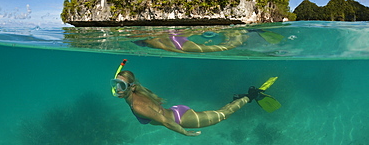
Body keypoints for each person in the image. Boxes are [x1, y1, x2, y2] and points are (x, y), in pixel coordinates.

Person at [111, 70, 269, 136]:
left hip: (181, 119)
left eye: (122, 86)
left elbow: (166, 122)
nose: (117, 89)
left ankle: (250, 96)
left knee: (223, 115)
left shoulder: (138, 106)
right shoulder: (133, 93)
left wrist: (185, 133)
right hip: (176, 111)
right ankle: (238, 99)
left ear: (131, 87)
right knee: (220, 112)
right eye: (115, 84)